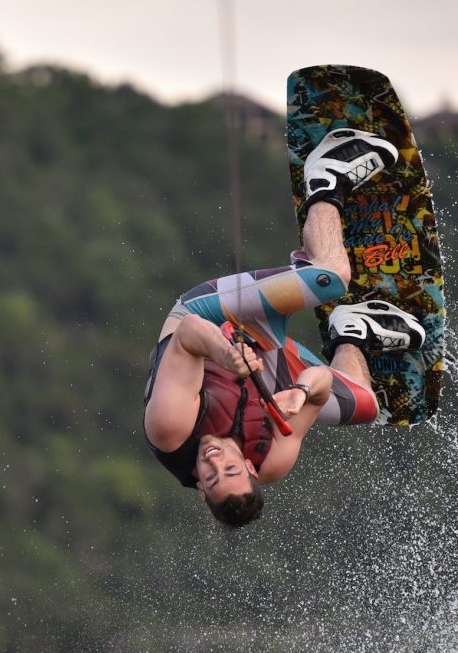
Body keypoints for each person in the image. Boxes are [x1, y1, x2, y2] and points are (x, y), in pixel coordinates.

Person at [143, 127, 426, 527]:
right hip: (267, 361)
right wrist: (301, 393)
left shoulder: (171, 429)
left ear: (201, 489)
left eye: (211, 477)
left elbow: (188, 334)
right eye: (230, 470)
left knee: (331, 276)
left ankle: (327, 179)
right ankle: (352, 330)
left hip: (212, 318)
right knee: (368, 406)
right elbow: (322, 383)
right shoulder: (272, 460)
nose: (214, 464)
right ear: (251, 469)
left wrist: (226, 353)